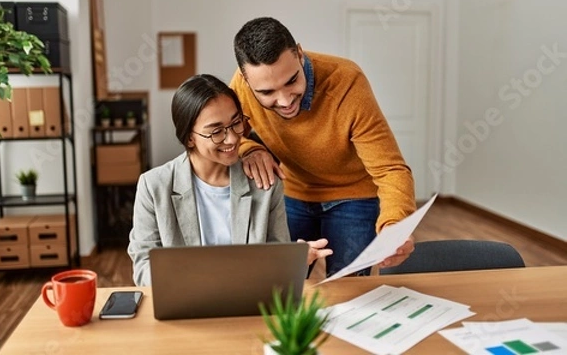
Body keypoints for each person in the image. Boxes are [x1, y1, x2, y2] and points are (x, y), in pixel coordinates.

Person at [229, 17, 417, 277]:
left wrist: (394, 226)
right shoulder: (240, 86)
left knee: (348, 293)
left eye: (291, 81)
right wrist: (249, 149)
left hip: (354, 196)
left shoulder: (347, 82)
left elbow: (390, 169)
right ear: (246, 81)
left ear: (300, 54)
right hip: (294, 192)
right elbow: (227, 136)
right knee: (279, 283)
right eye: (267, 92)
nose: (284, 101)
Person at [128, 74, 332, 286]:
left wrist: (292, 261)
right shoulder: (153, 186)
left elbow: (275, 261)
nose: (233, 138)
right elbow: (143, 268)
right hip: (187, 305)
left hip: (249, 303)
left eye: (236, 123)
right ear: (189, 137)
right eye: (216, 131)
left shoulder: (263, 183)